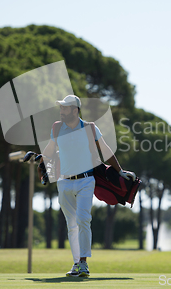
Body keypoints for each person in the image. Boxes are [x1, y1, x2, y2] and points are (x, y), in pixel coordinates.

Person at [41, 95, 133, 277]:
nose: (61, 111)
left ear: (75, 110)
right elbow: (50, 150)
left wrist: (120, 171)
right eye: (61, 108)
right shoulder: (57, 127)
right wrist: (42, 163)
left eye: (65, 108)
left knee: (83, 219)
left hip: (86, 180)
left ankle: (83, 263)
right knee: (71, 224)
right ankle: (76, 263)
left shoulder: (90, 128)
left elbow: (105, 149)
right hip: (64, 182)